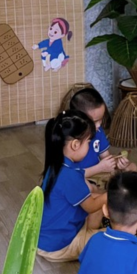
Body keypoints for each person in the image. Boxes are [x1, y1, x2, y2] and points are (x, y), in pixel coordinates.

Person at [37, 111, 107, 262]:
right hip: (58, 247)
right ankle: (88, 238)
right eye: (88, 142)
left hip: (45, 239)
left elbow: (84, 184)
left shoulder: (56, 165)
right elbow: (91, 206)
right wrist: (110, 195)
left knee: (96, 196)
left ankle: (88, 235)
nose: (89, 146)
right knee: (109, 239)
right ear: (75, 144)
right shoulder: (69, 175)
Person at [70, 86, 136, 183]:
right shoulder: (69, 140)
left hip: (99, 175)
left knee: (132, 167)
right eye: (94, 121)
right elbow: (69, 175)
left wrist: (118, 163)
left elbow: (106, 157)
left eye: (101, 119)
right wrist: (99, 168)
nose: (99, 125)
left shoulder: (98, 132)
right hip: (81, 179)